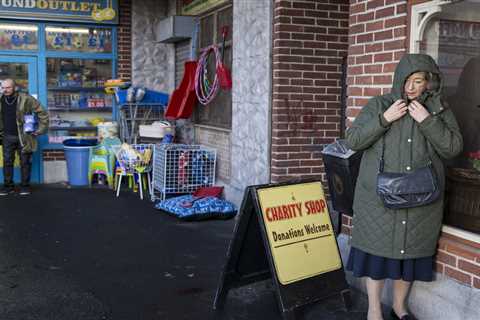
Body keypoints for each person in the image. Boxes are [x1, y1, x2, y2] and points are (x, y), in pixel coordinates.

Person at [345, 54, 463, 320]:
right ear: (399, 79)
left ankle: (400, 307)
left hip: (421, 199)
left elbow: (453, 148)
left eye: (418, 81)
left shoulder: (438, 109)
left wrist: (427, 120)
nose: (411, 87)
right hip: (379, 201)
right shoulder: (380, 104)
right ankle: (374, 310)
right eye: (407, 80)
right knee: (376, 257)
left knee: (407, 259)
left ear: (428, 82)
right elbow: (352, 140)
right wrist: (384, 119)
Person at [0, 79, 48, 196]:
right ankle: (8, 187)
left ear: (15, 87)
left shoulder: (26, 98)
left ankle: (25, 186)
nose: (5, 90)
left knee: (25, 162)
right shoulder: (1, 99)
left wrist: (40, 129)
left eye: (8, 88)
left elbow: (42, 112)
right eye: (3, 88)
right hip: (6, 136)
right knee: (7, 162)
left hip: (24, 136)